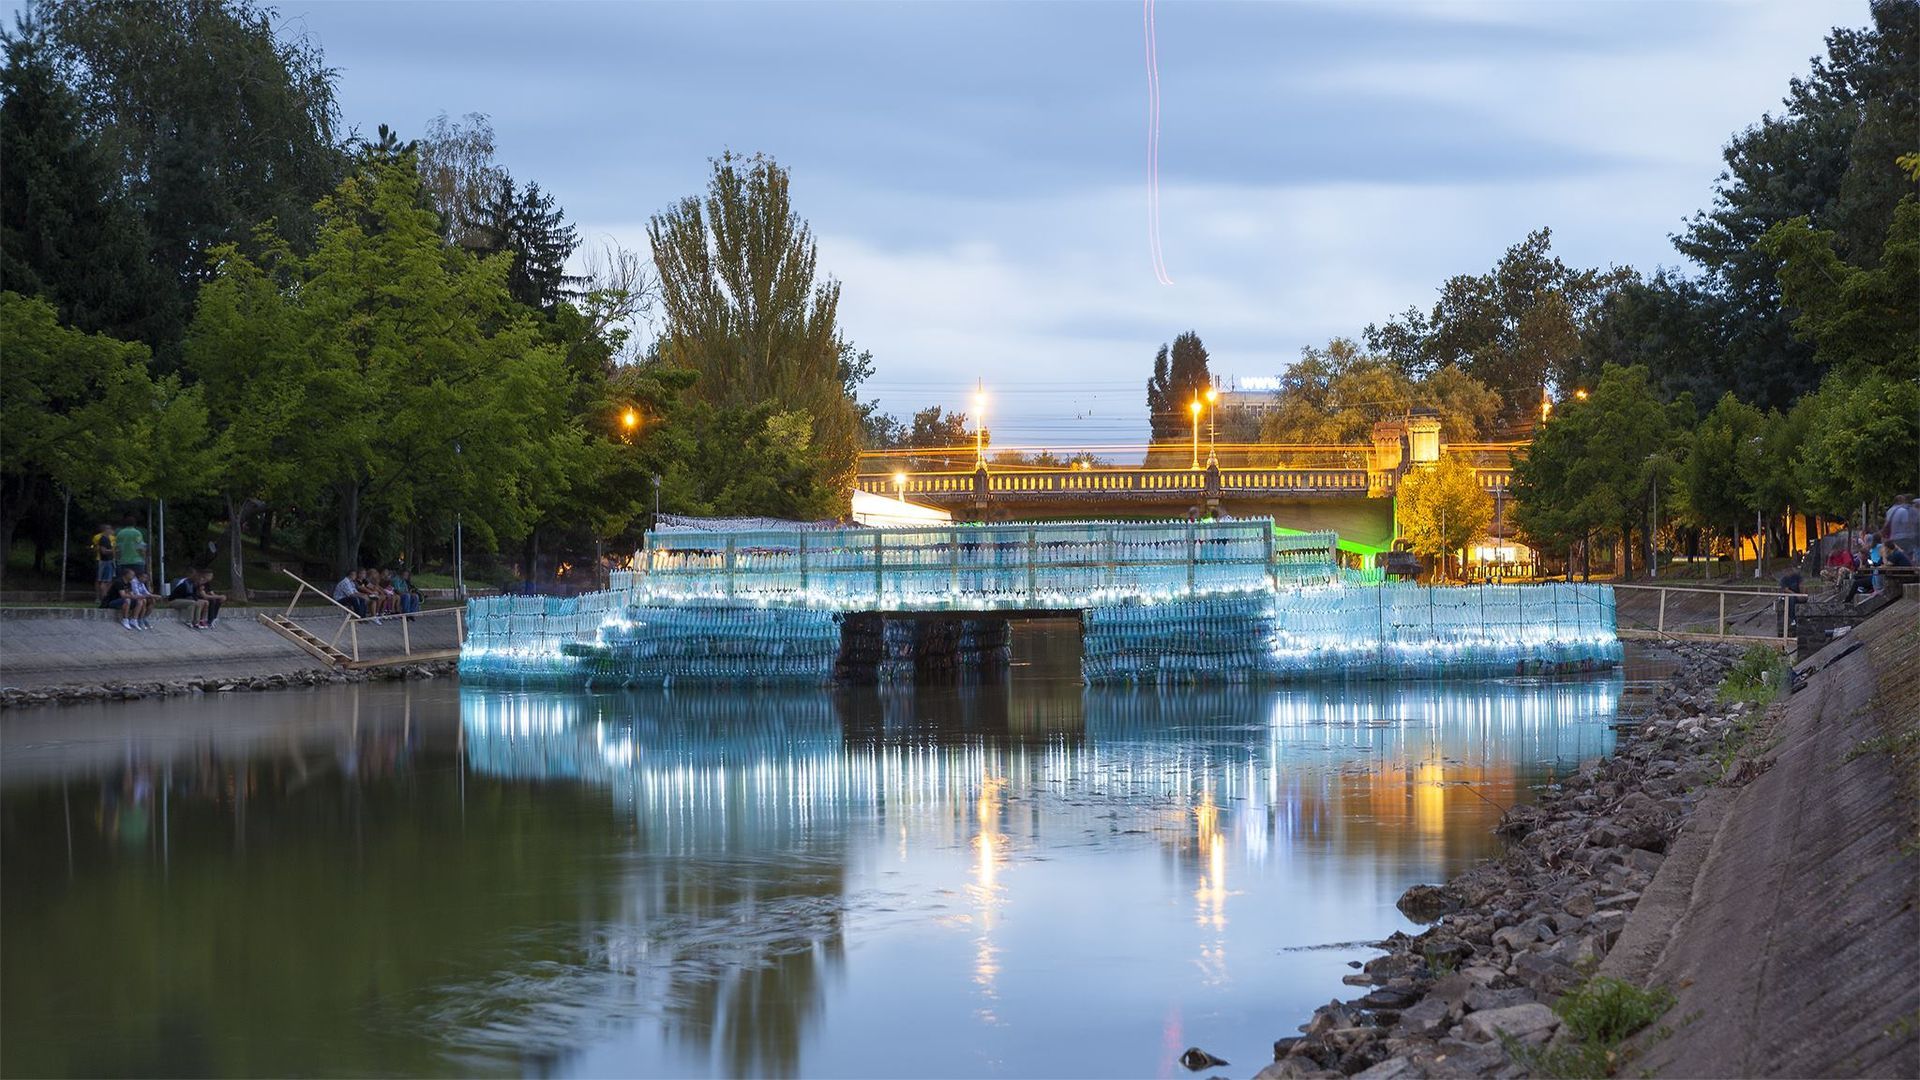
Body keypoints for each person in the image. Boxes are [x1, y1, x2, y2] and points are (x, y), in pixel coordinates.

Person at [91, 523, 117, 600]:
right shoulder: (101, 538)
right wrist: (114, 551)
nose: (112, 531)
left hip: (110, 560)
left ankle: (106, 597)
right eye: (110, 529)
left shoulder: (112, 538)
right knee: (104, 580)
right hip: (103, 561)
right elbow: (102, 550)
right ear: (106, 530)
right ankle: (101, 597)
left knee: (109, 580)